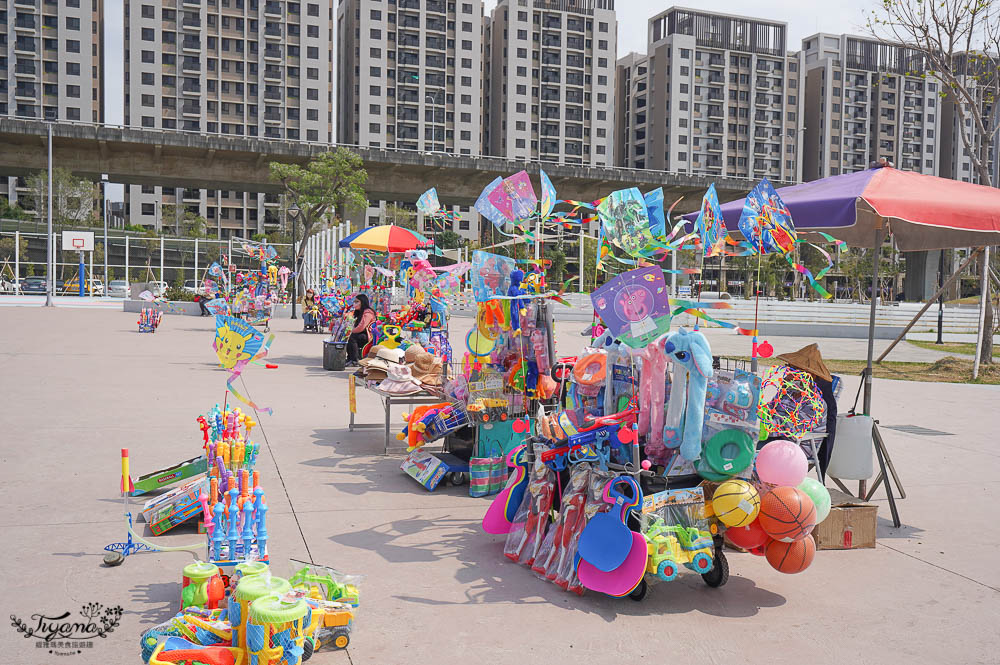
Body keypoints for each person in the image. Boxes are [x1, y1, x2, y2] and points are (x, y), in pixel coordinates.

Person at [346, 293, 376, 365]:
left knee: (352, 337)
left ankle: (355, 359)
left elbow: (361, 327)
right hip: (361, 333)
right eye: (354, 302)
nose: (354, 304)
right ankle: (350, 358)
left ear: (362, 302)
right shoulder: (358, 312)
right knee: (347, 337)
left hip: (368, 336)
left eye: (357, 302)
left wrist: (351, 331)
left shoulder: (368, 313)